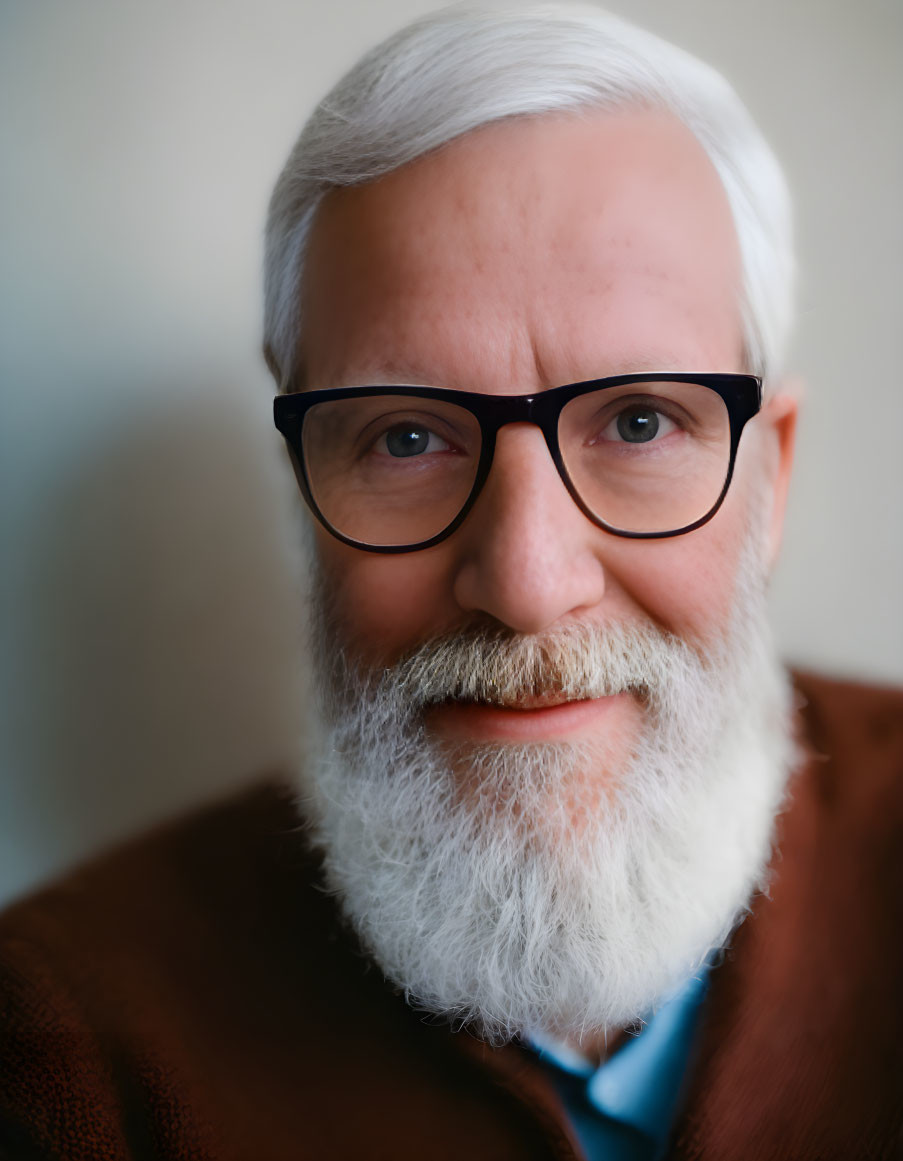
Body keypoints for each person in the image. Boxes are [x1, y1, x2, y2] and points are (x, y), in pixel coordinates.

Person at [1, 5, 900, 1159]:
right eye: (407, 440)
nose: (527, 581)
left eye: (638, 421)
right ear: (302, 489)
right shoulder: (67, 1050)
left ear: (769, 480)